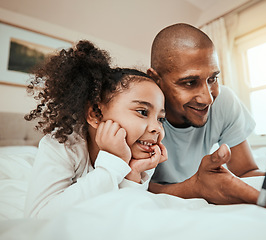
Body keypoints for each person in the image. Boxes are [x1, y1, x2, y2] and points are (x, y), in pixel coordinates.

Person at [146, 23, 266, 218]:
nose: (208, 98)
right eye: (190, 82)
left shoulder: (224, 101)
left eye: (213, 79)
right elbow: (133, 184)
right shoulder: (135, 114)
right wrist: (194, 188)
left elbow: (246, 171)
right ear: (155, 80)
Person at [24, 40, 167, 218]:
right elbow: (37, 218)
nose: (157, 129)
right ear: (96, 114)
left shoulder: (139, 156)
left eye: (161, 118)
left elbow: (123, 213)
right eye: (142, 112)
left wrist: (133, 172)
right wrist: (113, 164)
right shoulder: (63, 145)